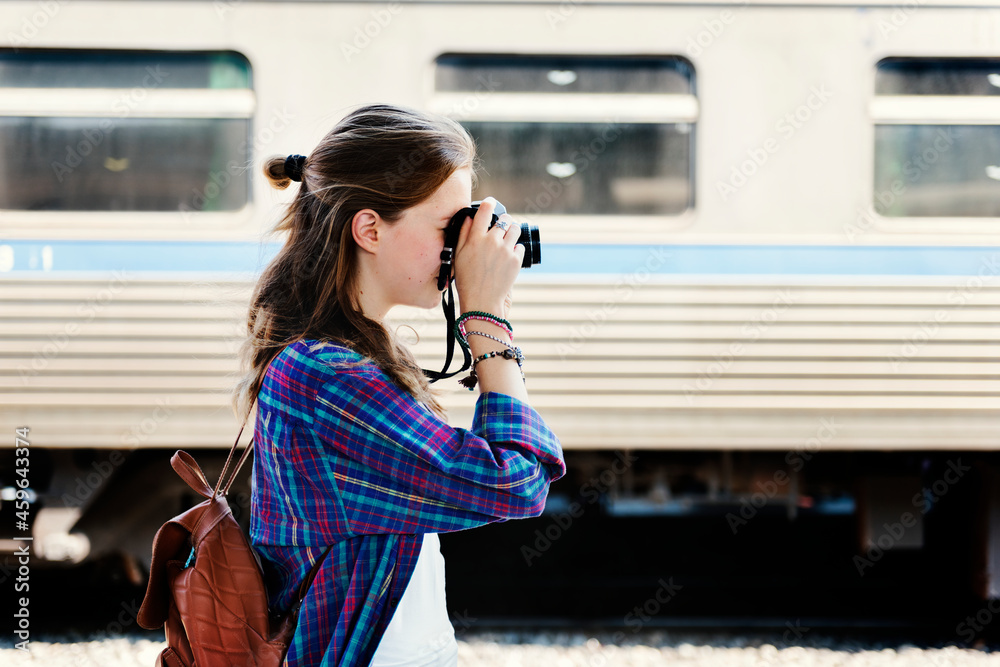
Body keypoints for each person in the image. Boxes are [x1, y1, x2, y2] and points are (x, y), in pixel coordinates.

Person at [232, 103, 566, 667]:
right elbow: (517, 482)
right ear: (369, 229)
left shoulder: (338, 358)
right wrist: (486, 314)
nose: (461, 248)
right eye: (448, 226)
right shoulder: (327, 377)